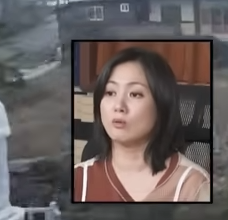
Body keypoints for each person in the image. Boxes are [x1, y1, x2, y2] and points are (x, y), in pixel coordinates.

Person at [73, 46, 211, 202]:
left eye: (135, 94)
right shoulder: (79, 180)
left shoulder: (192, 185)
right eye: (110, 93)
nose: (118, 106)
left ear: (162, 104)